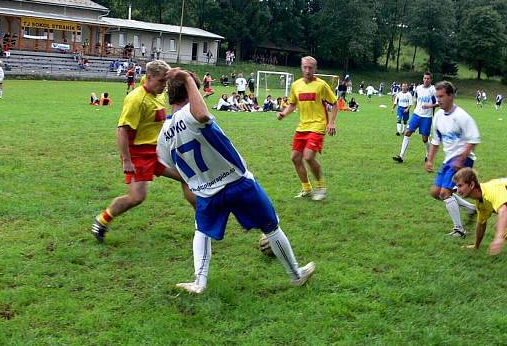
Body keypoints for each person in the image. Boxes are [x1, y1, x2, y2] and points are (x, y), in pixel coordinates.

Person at [157, 69, 315, 294]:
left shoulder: (164, 133)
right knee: (271, 226)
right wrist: (187, 79)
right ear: (190, 91)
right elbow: (201, 114)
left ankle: (199, 283)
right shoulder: (191, 114)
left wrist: (194, 181)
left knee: (201, 230)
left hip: (206, 192)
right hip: (237, 182)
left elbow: (161, 167)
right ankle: (296, 275)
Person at [91, 60, 196, 242]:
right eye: (162, 81)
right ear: (149, 77)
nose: (165, 86)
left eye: (166, 82)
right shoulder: (135, 99)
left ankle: (203, 222)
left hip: (157, 152)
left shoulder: (158, 94)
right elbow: (122, 130)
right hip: (138, 155)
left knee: (188, 176)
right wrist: (126, 160)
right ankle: (102, 220)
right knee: (136, 197)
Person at [277, 56, 338, 201]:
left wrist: (331, 123)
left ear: (315, 69)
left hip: (318, 125)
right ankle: (306, 188)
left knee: (309, 156)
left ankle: (321, 187)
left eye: (310, 68)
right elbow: (292, 104)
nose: (307, 70)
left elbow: (335, 103)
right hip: (302, 126)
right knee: (295, 158)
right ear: (301, 67)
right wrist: (283, 114)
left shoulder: (321, 85)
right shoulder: (296, 85)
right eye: (305, 67)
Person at [426, 81, 480, 237]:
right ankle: (471, 208)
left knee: (445, 193)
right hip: (448, 160)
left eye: (441, 96)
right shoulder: (438, 116)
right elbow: (436, 141)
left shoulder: (462, 116)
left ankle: (459, 229)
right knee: (435, 192)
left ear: (451, 96)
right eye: (437, 97)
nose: (439, 100)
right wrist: (429, 160)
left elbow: (473, 139)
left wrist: (461, 159)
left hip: (462, 159)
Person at [393, 72, 438, 163]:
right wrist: (416, 108)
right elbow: (416, 99)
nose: (426, 80)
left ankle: (428, 154)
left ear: (431, 80)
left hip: (427, 117)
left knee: (424, 139)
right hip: (416, 115)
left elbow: (438, 103)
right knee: (407, 132)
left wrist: (429, 106)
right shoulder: (418, 88)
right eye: (424, 78)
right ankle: (401, 156)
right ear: (423, 79)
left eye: (428, 78)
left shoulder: (433, 90)